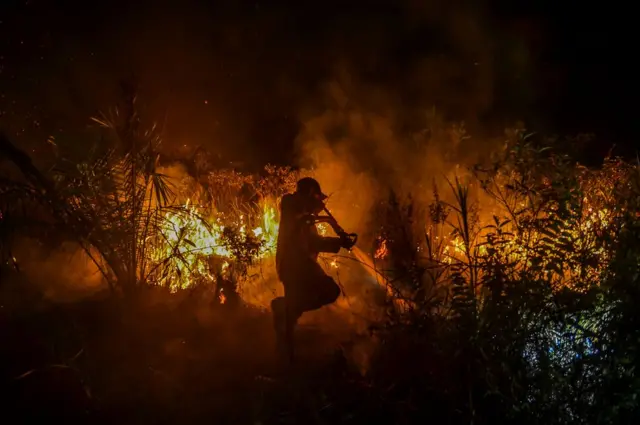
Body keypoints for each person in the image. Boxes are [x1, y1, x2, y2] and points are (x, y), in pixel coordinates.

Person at [271, 177, 355, 363]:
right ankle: (285, 358)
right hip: (294, 265)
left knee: (292, 314)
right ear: (309, 194)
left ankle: (284, 315)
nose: (320, 203)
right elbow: (298, 213)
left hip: (301, 265)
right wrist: (321, 219)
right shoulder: (291, 204)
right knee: (328, 290)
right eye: (318, 198)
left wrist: (339, 242)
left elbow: (314, 242)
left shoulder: (305, 217)